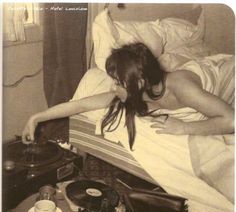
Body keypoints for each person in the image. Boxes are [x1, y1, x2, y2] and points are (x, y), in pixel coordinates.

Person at [22, 42, 234, 149]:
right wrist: (37, 117)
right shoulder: (136, 92)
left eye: (118, 82)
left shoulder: (182, 88)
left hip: (228, 74)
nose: (113, 88)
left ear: (139, 82)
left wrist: (184, 128)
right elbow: (80, 106)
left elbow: (231, 120)